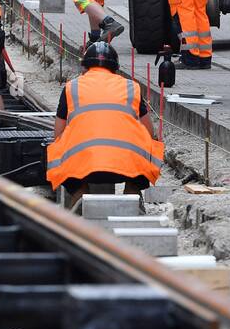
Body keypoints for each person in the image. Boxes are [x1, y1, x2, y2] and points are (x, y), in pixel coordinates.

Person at [46, 40, 163, 205]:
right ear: (115, 68)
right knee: (151, 146)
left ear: (85, 67)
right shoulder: (131, 87)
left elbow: (57, 135)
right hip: (126, 167)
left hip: (84, 168)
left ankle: (79, 194)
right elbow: (149, 132)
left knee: (57, 151)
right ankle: (133, 192)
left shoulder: (72, 87)